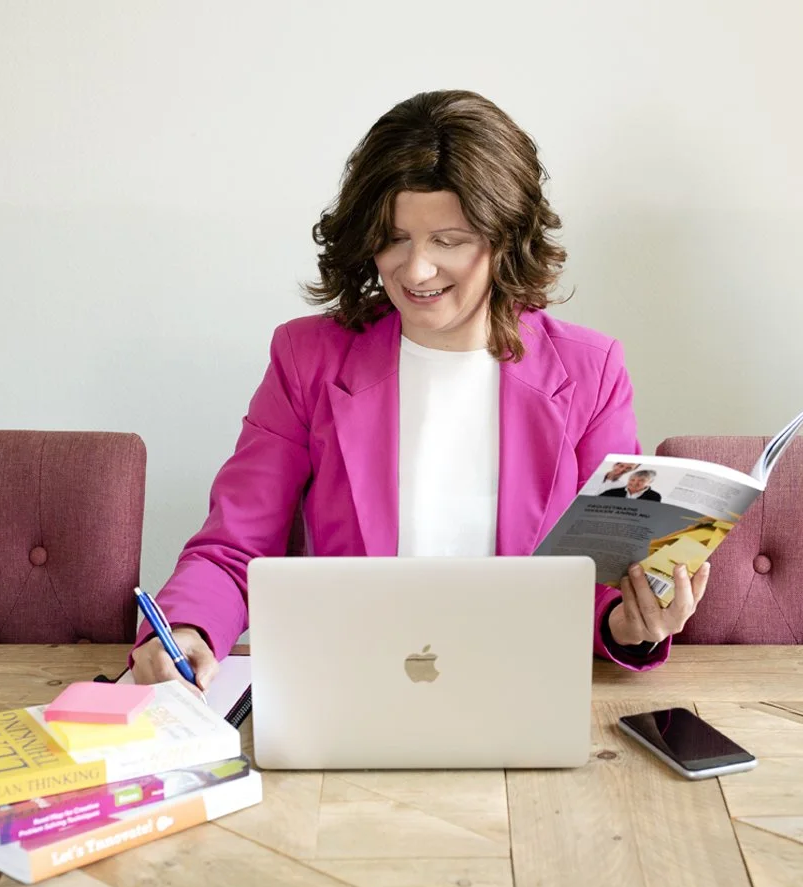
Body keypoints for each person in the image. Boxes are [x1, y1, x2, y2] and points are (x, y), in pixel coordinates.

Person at [131, 90, 710, 692]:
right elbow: (234, 547)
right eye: (395, 237)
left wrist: (631, 621)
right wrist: (187, 630)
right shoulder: (308, 360)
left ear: (505, 237)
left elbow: (604, 584)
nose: (415, 270)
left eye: (449, 241)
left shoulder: (592, 372)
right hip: (352, 689)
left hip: (523, 693)